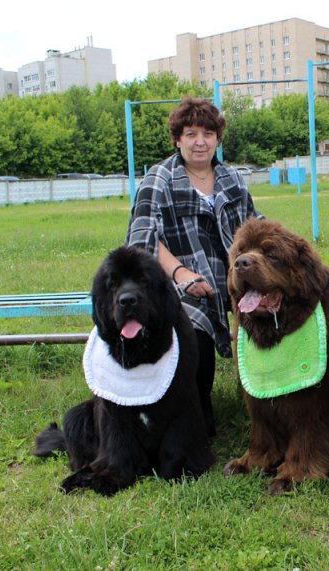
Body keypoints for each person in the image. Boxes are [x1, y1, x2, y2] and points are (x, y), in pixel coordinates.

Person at [126, 97, 262, 437]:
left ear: (217, 138)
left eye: (208, 133)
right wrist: (181, 275)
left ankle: (270, 401)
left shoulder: (231, 177)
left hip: (236, 273)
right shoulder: (160, 178)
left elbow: (256, 226)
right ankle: (197, 414)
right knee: (193, 331)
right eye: (190, 134)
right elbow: (144, 237)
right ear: (177, 139)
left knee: (280, 309)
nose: (200, 141)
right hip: (180, 277)